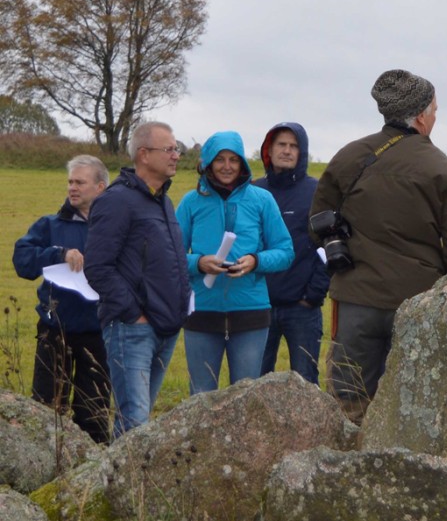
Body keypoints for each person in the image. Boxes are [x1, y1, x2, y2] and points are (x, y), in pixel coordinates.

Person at [310, 68, 447, 423]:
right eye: (434, 109)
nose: (435, 116)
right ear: (420, 115)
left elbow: (317, 225)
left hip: (355, 297)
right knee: (413, 407)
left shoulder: (348, 157)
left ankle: (343, 472)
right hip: (418, 304)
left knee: (349, 401)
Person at [84, 122, 191, 437]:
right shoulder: (116, 200)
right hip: (132, 329)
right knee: (134, 423)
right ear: (144, 154)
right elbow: (98, 267)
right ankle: (122, 485)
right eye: (169, 149)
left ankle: (131, 483)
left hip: (165, 327)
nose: (176, 155)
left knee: (140, 422)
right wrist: (134, 314)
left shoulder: (163, 201)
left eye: (176, 149)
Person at [175, 131, 294, 394]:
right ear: (207, 162)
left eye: (233, 159)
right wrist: (198, 263)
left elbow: (285, 252)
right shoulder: (190, 202)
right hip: (202, 312)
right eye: (219, 160)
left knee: (246, 398)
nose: (227, 167)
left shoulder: (262, 200)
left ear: (243, 163)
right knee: (201, 399)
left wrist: (255, 260)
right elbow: (169, 257)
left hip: (251, 312)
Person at [13, 155, 111, 444]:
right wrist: (57, 254)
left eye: (80, 182)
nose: (72, 188)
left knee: (93, 414)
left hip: (99, 333)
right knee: (46, 412)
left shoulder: (113, 228)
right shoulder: (49, 225)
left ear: (100, 187)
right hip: (55, 330)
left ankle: (93, 480)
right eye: (70, 181)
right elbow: (22, 261)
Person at [254, 122, 329, 385]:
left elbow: (328, 245)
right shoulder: (254, 192)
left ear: (302, 152)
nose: (287, 151)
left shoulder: (316, 192)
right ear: (269, 150)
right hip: (258, 306)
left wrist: (313, 294)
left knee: (306, 383)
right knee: (253, 385)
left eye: (293, 146)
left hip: (302, 309)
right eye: (281, 145)